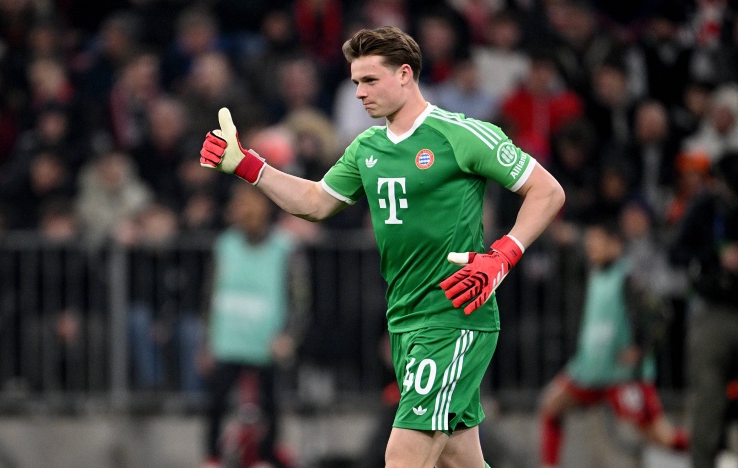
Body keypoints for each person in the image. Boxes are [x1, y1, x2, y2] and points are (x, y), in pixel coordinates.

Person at [199, 26, 565, 467]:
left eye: (370, 80)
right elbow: (315, 202)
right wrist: (249, 165)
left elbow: (548, 191)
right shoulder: (366, 148)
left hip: (452, 315)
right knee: (456, 457)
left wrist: (503, 256)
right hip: (405, 320)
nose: (359, 92)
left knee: (403, 455)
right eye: (356, 82)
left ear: (405, 74)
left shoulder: (461, 134)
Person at [538, 220, 689, 468]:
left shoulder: (629, 277)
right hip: (589, 369)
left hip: (622, 375)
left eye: (597, 244)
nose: (591, 249)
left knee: (662, 437)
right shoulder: (594, 273)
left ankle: (712, 449)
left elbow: (661, 313)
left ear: (614, 244)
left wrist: (641, 348)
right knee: (551, 405)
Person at [200, 185, 308, 468]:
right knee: (216, 402)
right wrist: (206, 341)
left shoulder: (285, 248)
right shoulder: (224, 246)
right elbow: (209, 294)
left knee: (270, 403)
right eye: (241, 206)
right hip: (228, 339)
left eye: (252, 206)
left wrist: (289, 336)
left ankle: (266, 456)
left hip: (267, 341)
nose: (246, 213)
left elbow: (300, 298)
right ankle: (212, 457)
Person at [669, 152, 738, 468]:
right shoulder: (706, 207)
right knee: (707, 397)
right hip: (714, 311)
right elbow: (677, 252)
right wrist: (716, 256)